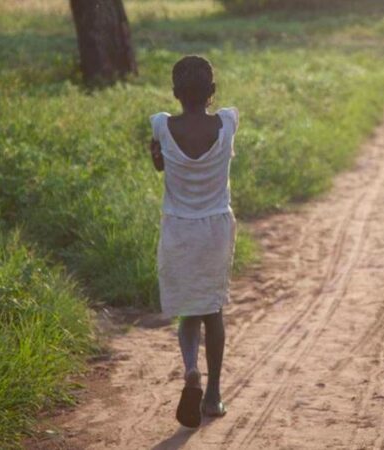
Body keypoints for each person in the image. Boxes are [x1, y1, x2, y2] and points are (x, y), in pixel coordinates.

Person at [148, 55, 238, 427]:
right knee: (212, 311)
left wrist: (158, 151)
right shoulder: (228, 122)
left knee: (188, 310)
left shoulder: (161, 125)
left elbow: (158, 164)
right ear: (212, 92)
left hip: (179, 229)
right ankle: (214, 394)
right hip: (215, 228)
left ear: (174, 93)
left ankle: (190, 372)